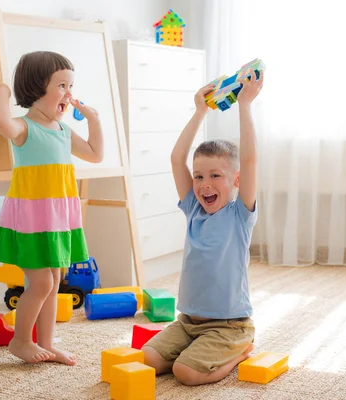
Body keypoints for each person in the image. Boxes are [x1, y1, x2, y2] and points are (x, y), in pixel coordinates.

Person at [143, 68, 264, 385]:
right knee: (150, 359)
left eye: (215, 176)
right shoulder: (193, 209)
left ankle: (239, 351)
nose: (204, 184)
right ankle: (200, 349)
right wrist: (199, 111)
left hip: (229, 324)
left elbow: (250, 160)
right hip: (188, 322)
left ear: (235, 181)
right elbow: (176, 158)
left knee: (186, 373)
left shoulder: (240, 214)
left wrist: (245, 106)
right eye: (198, 176)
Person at [0, 51, 104, 365]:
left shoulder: (63, 131)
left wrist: (94, 120)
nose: (69, 94)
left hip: (56, 221)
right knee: (41, 283)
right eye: (61, 85)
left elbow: (95, 154)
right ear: (37, 88)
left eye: (71, 86)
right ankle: (21, 341)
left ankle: (46, 343)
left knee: (54, 280)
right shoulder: (25, 128)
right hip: (32, 221)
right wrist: (4, 92)